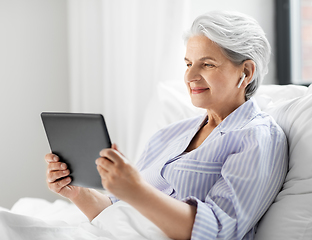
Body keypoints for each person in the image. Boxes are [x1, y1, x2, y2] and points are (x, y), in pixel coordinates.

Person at [45, 11, 288, 240]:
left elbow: (217, 231)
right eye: (188, 63)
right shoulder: (169, 135)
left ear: (245, 72)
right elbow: (118, 211)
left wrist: (136, 189)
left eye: (207, 64)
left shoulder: (257, 137)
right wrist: (76, 191)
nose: (190, 76)